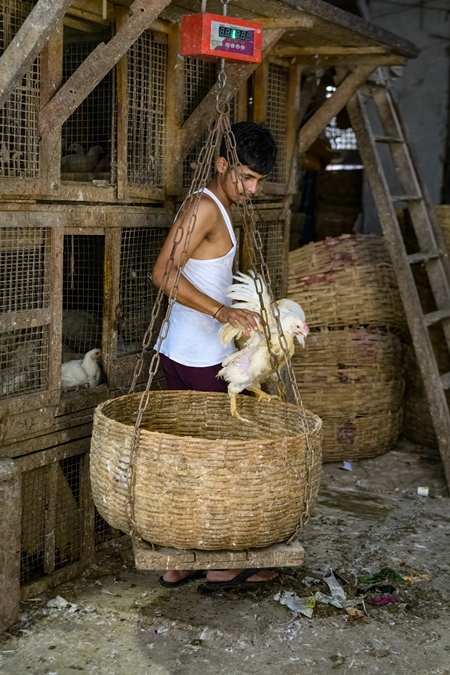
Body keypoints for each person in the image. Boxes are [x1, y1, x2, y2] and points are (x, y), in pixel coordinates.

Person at [152, 121, 279, 591]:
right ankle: (223, 564)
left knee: (192, 458)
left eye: (258, 182)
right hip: (200, 359)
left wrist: (238, 309)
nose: (251, 188)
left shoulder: (220, 207)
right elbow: (163, 272)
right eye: (245, 177)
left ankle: (180, 560)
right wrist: (222, 309)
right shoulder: (204, 206)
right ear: (222, 164)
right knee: (227, 460)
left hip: (192, 352)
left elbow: (202, 275)